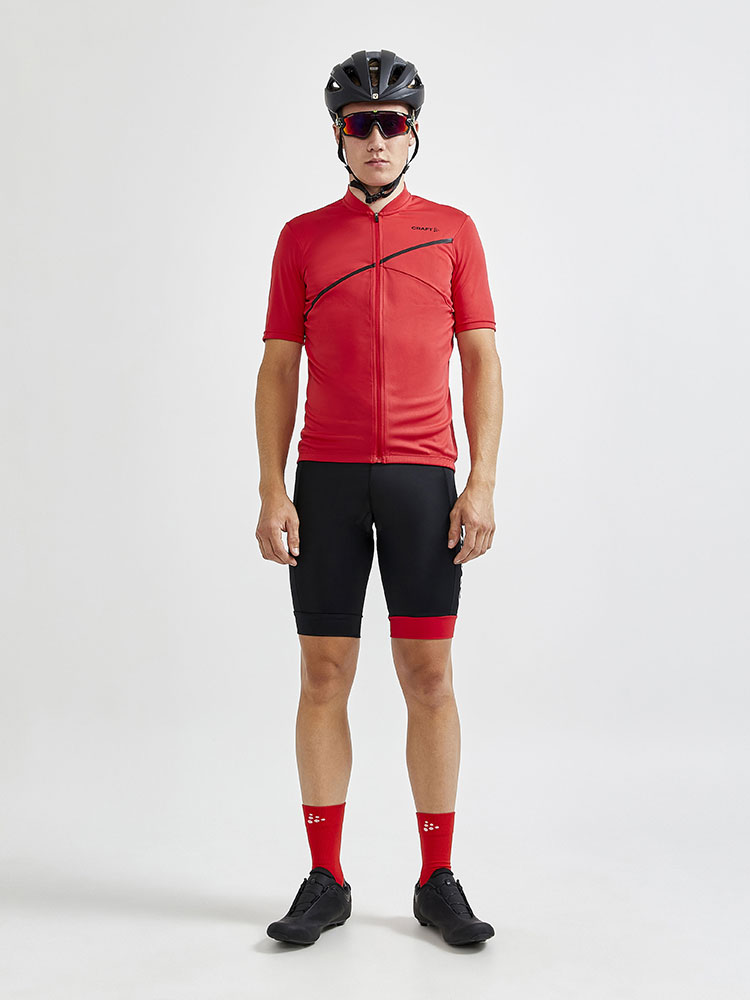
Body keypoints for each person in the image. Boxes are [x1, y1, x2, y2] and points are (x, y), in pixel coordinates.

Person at [255, 48, 503, 947]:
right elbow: (278, 367)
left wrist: (480, 481)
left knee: (429, 677)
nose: (375, 139)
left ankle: (437, 879)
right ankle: (326, 877)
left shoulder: (453, 231)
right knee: (324, 674)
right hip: (324, 477)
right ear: (338, 134)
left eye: (389, 123)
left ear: (412, 133)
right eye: (359, 123)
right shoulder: (301, 238)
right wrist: (270, 486)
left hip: (422, 480)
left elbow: (481, 361)